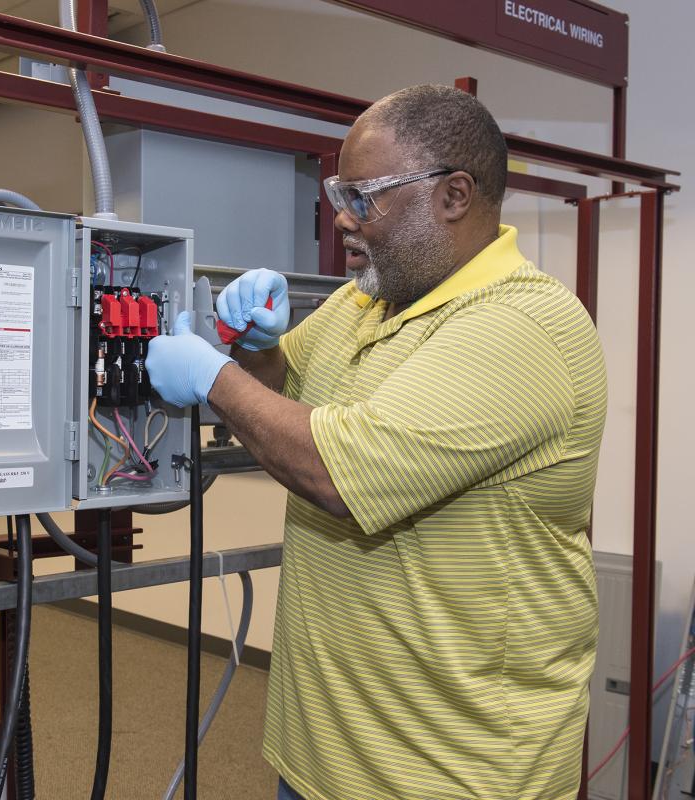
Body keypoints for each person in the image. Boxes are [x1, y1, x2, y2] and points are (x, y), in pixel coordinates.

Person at [145, 84, 607, 800]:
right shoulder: (364, 298)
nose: (342, 218)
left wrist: (213, 378)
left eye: (366, 197)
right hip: (322, 754)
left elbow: (334, 471)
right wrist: (256, 351)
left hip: (451, 774)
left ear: (454, 195)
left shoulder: (523, 327)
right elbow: (286, 396)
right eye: (340, 192)